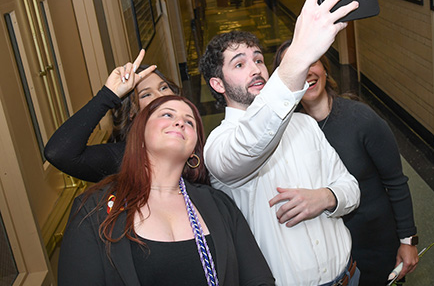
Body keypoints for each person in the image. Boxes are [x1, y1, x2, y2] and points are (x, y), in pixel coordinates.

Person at [199, 0, 361, 286]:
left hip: (349, 277)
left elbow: (351, 188)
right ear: (218, 84)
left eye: (259, 59)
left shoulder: (303, 124)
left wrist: (326, 197)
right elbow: (251, 144)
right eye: (240, 63)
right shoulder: (218, 148)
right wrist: (299, 55)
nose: (256, 69)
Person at [58, 95, 275, 286]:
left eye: (189, 122)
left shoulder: (220, 205)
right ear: (139, 135)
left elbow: (259, 280)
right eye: (167, 114)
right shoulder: (94, 210)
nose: (180, 122)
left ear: (194, 152)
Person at [273, 40, 419, 285]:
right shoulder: (285, 135)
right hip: (328, 251)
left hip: (375, 244)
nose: (307, 71)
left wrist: (408, 241)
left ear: (325, 68)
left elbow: (395, 181)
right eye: (296, 66)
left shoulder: (361, 119)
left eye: (313, 62)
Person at [44, 50, 180, 182]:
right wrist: (107, 96)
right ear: (131, 112)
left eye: (163, 88)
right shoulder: (125, 158)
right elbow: (59, 153)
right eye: (146, 94)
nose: (161, 96)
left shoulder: (193, 141)